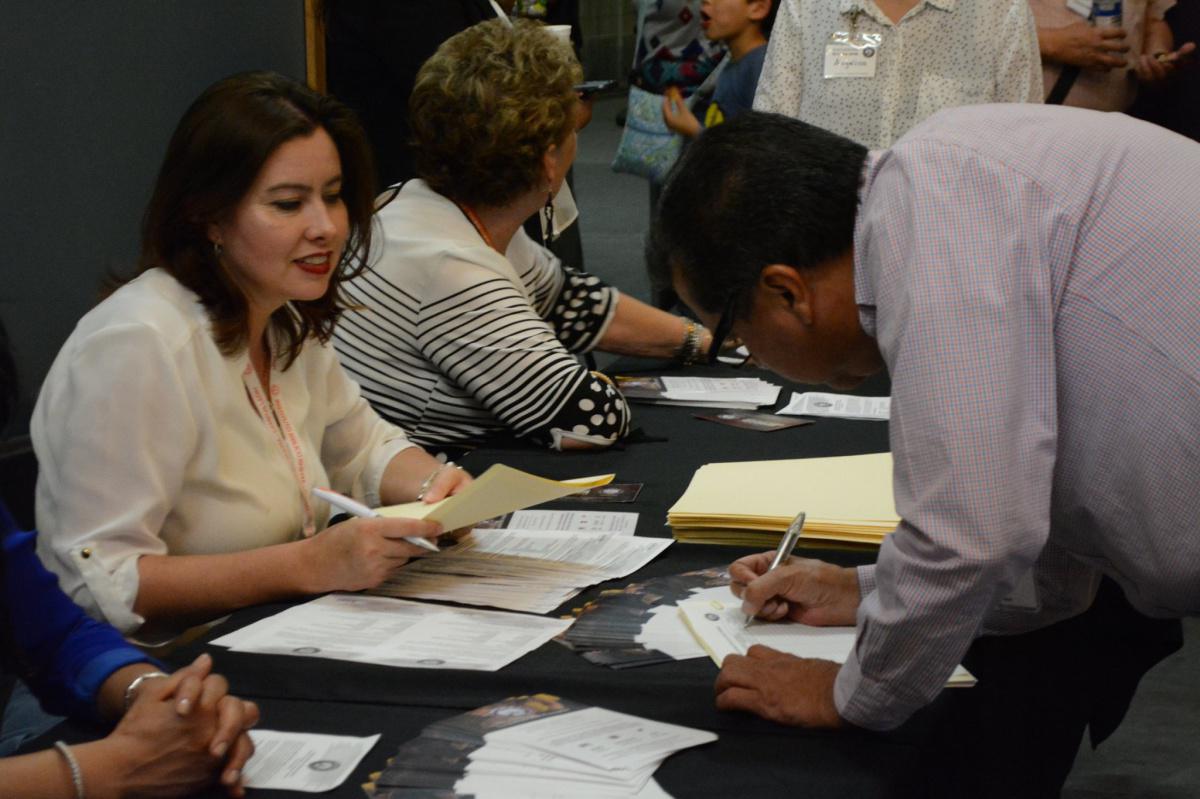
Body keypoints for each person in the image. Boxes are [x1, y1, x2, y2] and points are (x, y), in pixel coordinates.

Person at [651, 108, 1199, 740]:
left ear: (786, 292)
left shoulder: (938, 215)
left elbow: (971, 530)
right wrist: (869, 590)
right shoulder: (945, 181)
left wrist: (850, 693)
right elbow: (1043, 552)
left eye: (732, 332)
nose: (748, 354)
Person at [32, 72, 472, 642]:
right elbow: (104, 583)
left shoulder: (285, 317)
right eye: (289, 204)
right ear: (208, 216)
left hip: (271, 637)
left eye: (334, 197)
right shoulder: (136, 343)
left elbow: (363, 448)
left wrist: (436, 489)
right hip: (148, 679)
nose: (326, 228)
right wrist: (309, 565)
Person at [334, 20, 719, 452]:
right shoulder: (453, 268)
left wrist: (703, 339)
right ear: (548, 161)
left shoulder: (423, 204)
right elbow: (590, 420)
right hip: (430, 487)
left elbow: (570, 302)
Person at [0, 320, 259, 797]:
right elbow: (111, 578)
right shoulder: (135, 336)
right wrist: (111, 769)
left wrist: (160, 698)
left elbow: (56, 637)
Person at [753, 0, 1043, 148]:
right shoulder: (808, 6)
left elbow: (1023, 156)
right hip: (822, 245)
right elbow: (769, 136)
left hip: (944, 246)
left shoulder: (1001, 11)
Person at [1031, 0, 1195, 110]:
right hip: (1027, 119)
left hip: (1106, 132)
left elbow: (1153, 20)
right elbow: (1004, 27)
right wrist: (1051, 43)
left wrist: (1158, 57)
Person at [662, 0, 778, 137]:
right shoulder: (733, 62)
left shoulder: (760, 67)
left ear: (758, 8)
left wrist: (695, 132)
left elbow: (762, 149)